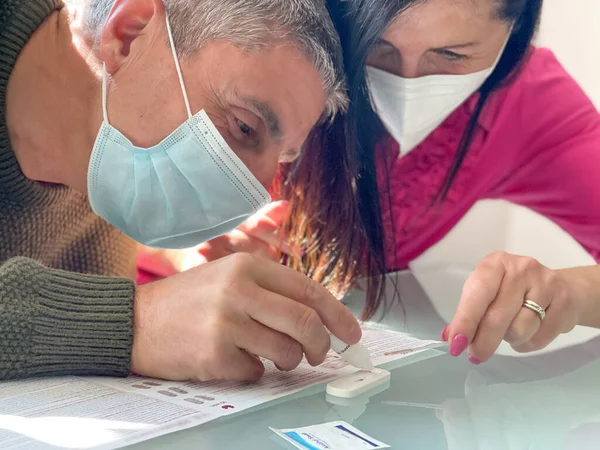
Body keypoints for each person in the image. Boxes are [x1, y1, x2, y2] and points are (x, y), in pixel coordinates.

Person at [167, 0, 600, 366]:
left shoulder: (528, 105)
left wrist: (571, 292)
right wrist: (185, 246)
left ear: (516, 30)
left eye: (451, 56)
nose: (408, 82)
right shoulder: (271, 44)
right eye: (377, 46)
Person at [0, 0, 363, 382]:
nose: (257, 191)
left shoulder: (101, 172)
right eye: (243, 126)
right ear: (129, 34)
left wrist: (186, 276)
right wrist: (140, 323)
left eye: (282, 159)